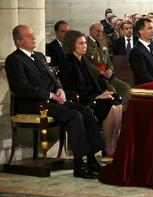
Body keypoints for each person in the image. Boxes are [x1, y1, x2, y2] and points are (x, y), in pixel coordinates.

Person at [5, 25, 103, 179]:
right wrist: (49, 95)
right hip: (33, 104)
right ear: (19, 42)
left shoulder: (39, 56)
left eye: (33, 34)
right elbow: (22, 88)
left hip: (52, 100)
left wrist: (60, 89)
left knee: (86, 112)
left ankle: (91, 159)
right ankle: (79, 165)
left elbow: (54, 78)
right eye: (29, 36)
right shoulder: (14, 59)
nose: (33, 37)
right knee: (74, 116)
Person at [60, 30, 123, 158]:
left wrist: (103, 92)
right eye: (81, 43)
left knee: (118, 103)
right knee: (109, 107)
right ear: (72, 45)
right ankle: (107, 146)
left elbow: (95, 81)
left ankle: (112, 144)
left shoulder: (83, 60)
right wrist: (97, 96)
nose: (85, 46)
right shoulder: (67, 62)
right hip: (81, 100)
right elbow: (71, 89)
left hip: (94, 95)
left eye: (85, 43)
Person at [85, 22, 130, 108]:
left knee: (126, 88)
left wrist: (110, 69)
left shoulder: (103, 43)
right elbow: (86, 62)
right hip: (96, 77)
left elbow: (108, 60)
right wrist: (100, 72)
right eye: (98, 31)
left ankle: (122, 112)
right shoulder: (85, 43)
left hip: (107, 75)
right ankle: (113, 115)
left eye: (101, 31)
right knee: (112, 90)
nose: (100, 33)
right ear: (91, 30)